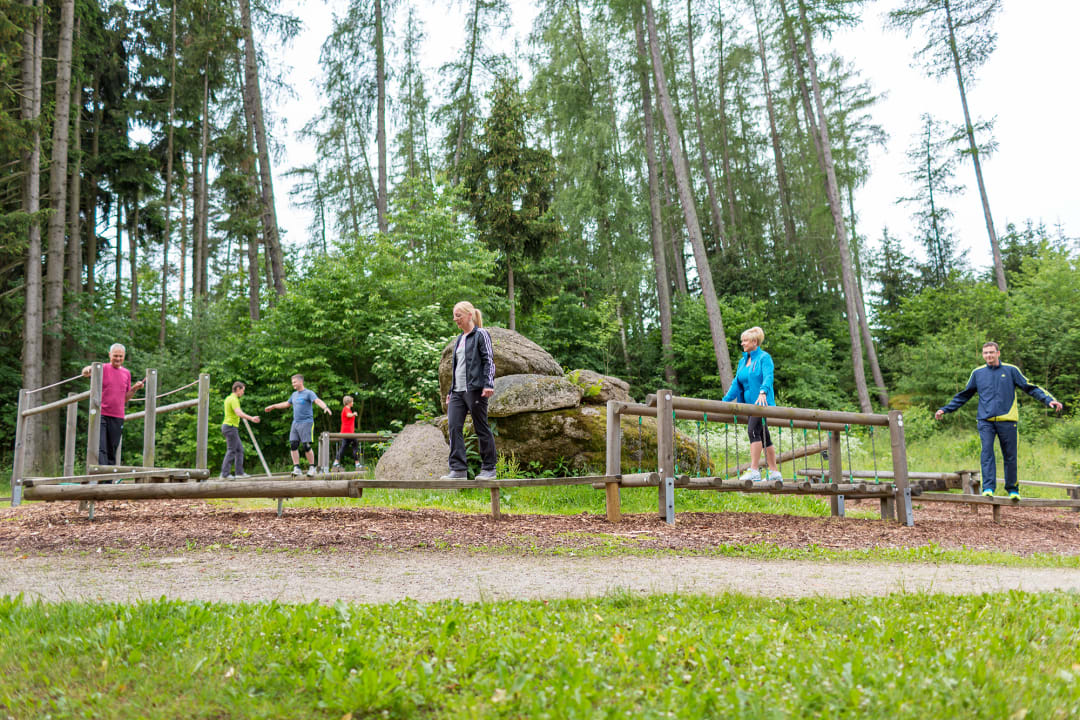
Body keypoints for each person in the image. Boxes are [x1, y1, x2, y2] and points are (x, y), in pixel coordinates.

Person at [935, 341, 1062, 499]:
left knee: (1010, 456)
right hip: (985, 420)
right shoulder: (978, 373)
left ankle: (1012, 490)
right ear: (983, 355)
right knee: (986, 452)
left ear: (998, 353)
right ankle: (988, 488)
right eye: (985, 353)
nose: (988, 355)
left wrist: (1049, 400)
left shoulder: (1011, 370)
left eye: (991, 352)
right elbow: (964, 395)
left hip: (1008, 420)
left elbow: (1030, 387)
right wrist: (945, 409)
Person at [442, 301, 497, 481]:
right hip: (458, 391)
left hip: (475, 389)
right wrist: (451, 390)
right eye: (454, 315)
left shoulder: (481, 334)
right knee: (453, 427)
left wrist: (488, 383)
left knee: (481, 427)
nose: (455, 319)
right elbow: (457, 367)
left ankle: (489, 469)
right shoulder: (459, 338)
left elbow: (488, 360)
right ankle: (458, 470)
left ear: (469, 315)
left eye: (458, 315)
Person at [722, 326, 783, 482]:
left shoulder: (764, 358)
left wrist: (763, 392)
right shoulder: (743, 361)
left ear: (754, 342)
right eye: (742, 341)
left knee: (753, 431)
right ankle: (775, 473)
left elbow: (768, 377)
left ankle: (754, 470)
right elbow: (736, 384)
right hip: (748, 406)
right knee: (764, 436)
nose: (742, 343)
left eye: (745, 340)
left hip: (761, 404)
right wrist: (724, 401)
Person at [81, 343, 145, 467]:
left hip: (118, 416)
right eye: (115, 356)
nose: (118, 359)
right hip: (101, 414)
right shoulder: (102, 368)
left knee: (112, 450)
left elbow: (125, 399)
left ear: (124, 356)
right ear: (109, 355)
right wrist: (88, 369)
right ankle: (103, 478)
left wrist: (135, 389)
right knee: (101, 447)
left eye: (121, 356)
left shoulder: (126, 373)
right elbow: (85, 372)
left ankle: (108, 481)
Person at [264, 374, 331, 476]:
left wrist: (325, 407)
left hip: (307, 422)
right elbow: (286, 404)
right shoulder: (294, 395)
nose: (293, 384)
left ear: (301, 382)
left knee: (306, 445)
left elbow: (317, 400)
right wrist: (273, 406)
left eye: (294, 382)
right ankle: (297, 468)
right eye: (292, 383)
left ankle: (312, 468)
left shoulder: (309, 393)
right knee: (293, 445)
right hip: (295, 423)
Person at [220, 381, 260, 480]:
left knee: (239, 450)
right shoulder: (233, 399)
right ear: (238, 389)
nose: (243, 393)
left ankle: (239, 473)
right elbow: (238, 412)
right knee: (231, 450)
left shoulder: (228, 398)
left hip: (229, 427)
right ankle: (224, 474)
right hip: (230, 427)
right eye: (243, 390)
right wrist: (251, 418)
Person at [332, 395, 361, 471]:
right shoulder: (346, 409)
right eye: (352, 401)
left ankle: (336, 462)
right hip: (347, 432)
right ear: (349, 403)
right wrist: (354, 414)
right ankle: (357, 463)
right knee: (354, 445)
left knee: (344, 447)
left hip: (348, 432)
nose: (353, 403)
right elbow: (348, 415)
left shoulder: (347, 409)